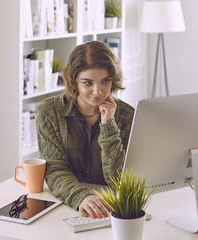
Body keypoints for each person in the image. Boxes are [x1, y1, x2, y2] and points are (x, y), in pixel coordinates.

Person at [36, 41, 134, 219]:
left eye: (105, 81)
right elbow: (55, 170)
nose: (98, 91)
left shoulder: (126, 115)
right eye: (88, 83)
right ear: (74, 81)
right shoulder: (49, 112)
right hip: (68, 205)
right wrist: (81, 197)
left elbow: (118, 179)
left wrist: (109, 124)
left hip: (111, 209)